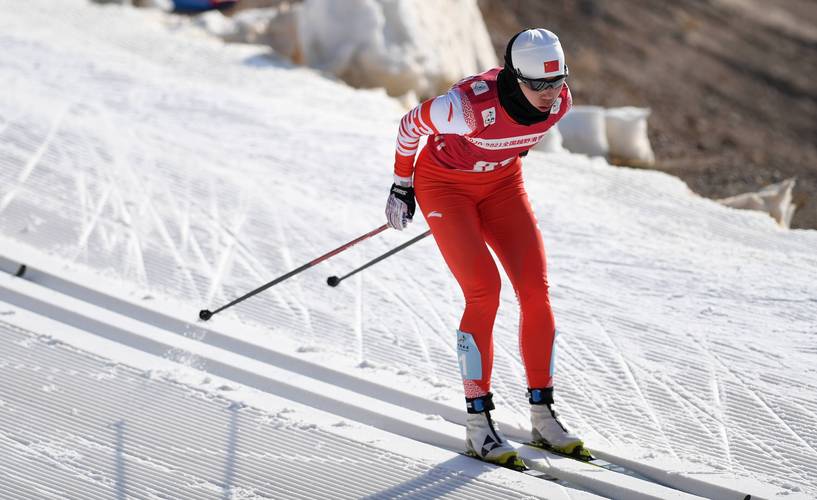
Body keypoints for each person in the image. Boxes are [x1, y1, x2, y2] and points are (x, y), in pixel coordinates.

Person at [384, 28, 589, 467]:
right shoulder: (466, 109)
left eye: (557, 83)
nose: (550, 95)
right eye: (539, 85)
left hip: (501, 187)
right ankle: (478, 425)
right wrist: (402, 186)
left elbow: (520, 137)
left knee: (535, 290)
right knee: (484, 292)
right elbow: (410, 125)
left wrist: (501, 155)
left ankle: (542, 414)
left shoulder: (561, 102)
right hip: (444, 189)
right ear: (516, 78)